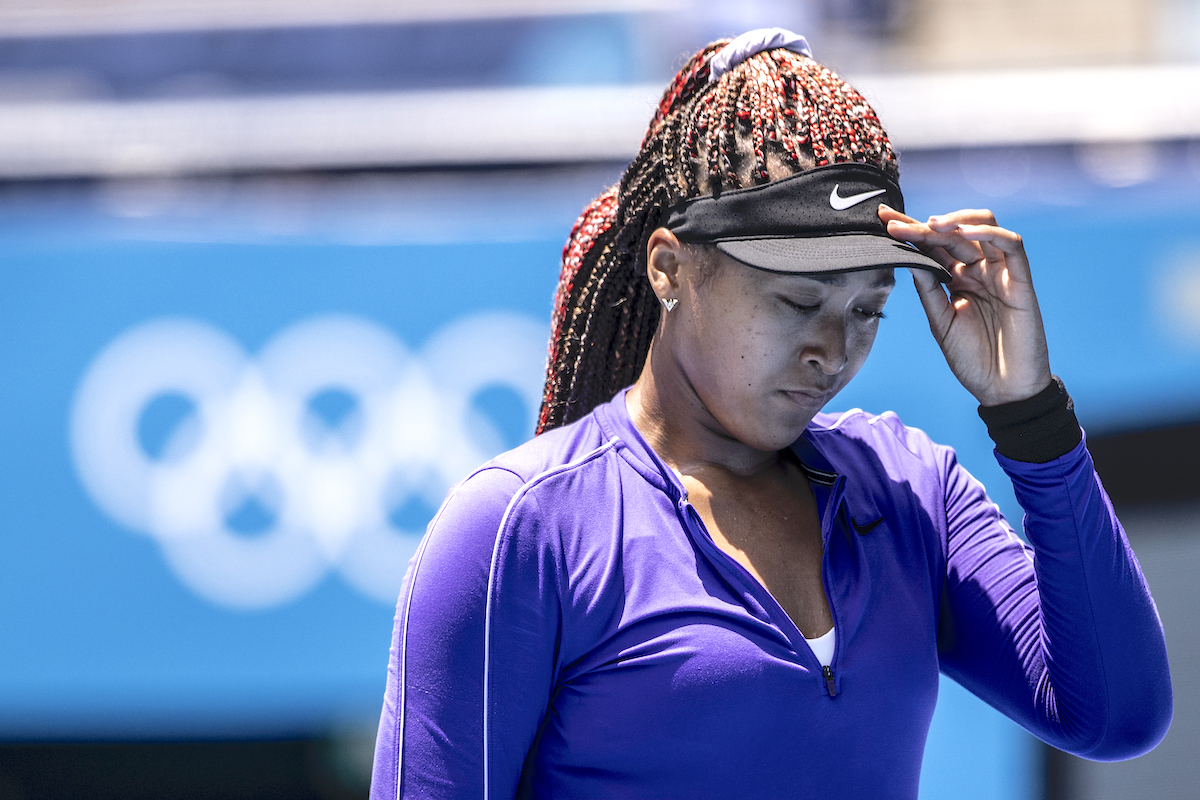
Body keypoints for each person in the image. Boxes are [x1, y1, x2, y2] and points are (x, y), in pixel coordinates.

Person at [370, 29, 1172, 799]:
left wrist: (1029, 412)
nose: (833, 348)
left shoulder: (911, 491)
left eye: (868, 312)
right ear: (668, 268)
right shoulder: (518, 528)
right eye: (797, 300)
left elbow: (1117, 715)